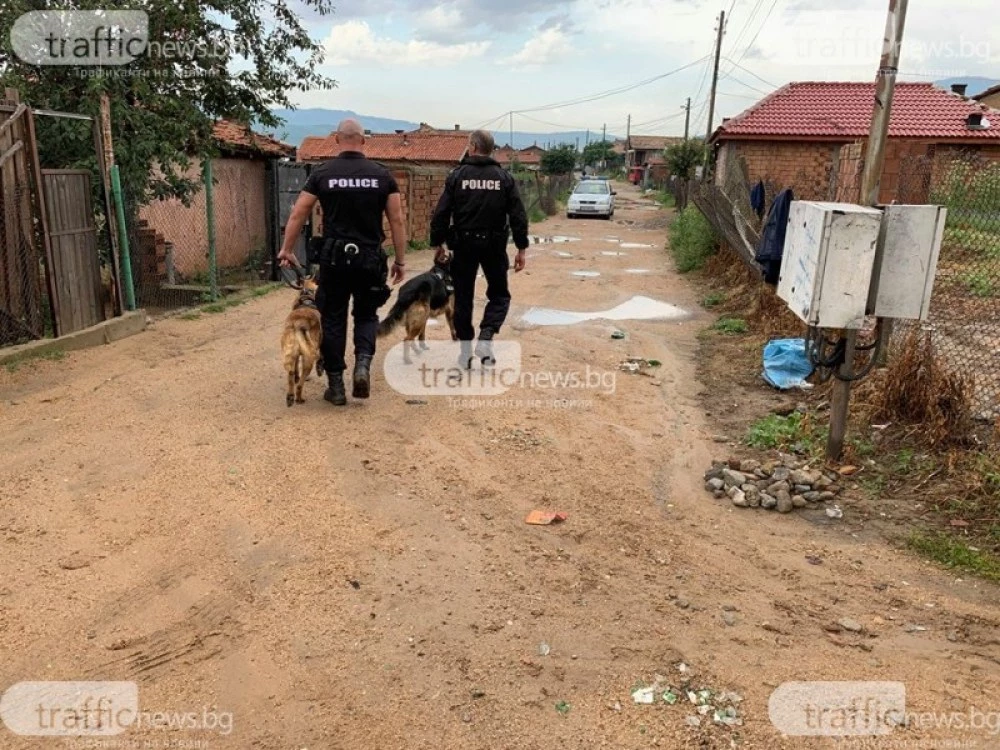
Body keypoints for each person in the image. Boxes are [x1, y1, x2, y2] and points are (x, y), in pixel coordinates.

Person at [277, 119, 407, 405]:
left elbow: (299, 213)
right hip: (370, 258)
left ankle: (335, 386)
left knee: (333, 318)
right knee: (366, 315)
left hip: (334, 259)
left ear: (337, 139)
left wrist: (287, 249)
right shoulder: (382, 175)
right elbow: (397, 219)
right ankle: (362, 366)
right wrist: (400, 260)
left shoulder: (323, 174)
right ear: (364, 141)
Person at [429, 129, 529, 367]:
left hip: (463, 245)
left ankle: (465, 352)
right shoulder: (504, 178)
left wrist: (438, 243)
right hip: (494, 246)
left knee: (462, 297)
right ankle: (486, 337)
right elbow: (518, 215)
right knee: (499, 294)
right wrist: (521, 248)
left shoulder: (457, 176)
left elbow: (441, 213)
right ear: (491, 149)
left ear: (473, 147)